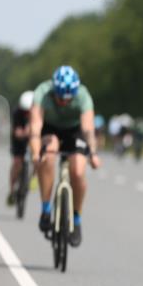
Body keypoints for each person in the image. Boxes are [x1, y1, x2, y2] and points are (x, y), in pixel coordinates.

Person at [28, 65, 101, 247]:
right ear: (54, 90)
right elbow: (35, 128)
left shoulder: (83, 95)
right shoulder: (42, 93)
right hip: (50, 129)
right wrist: (36, 153)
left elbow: (88, 129)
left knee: (77, 171)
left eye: (68, 99)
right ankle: (46, 210)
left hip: (74, 131)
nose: (64, 102)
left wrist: (92, 153)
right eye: (60, 98)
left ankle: (76, 219)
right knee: (50, 153)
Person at [7, 91, 34, 206]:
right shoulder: (17, 113)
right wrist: (22, 133)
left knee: (39, 158)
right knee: (17, 162)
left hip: (32, 138)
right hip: (18, 140)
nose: (27, 113)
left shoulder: (38, 112)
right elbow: (16, 131)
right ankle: (12, 189)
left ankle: (33, 179)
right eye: (25, 111)